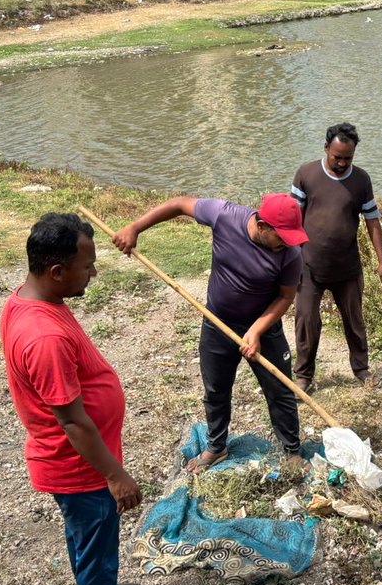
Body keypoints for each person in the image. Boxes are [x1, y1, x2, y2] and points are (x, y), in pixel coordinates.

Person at [0, 213, 164, 585]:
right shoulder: (43, 336)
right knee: (94, 536)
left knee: (88, 536)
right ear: (56, 272)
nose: (93, 273)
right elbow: (72, 420)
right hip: (77, 464)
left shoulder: (35, 300)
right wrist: (115, 474)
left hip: (80, 458)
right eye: (87, 266)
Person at [113, 194, 307, 473]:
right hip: (218, 323)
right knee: (216, 389)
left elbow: (286, 297)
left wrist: (255, 331)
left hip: (263, 329)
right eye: (282, 237)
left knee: (281, 391)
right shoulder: (225, 215)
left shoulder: (290, 254)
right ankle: (216, 447)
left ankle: (291, 452)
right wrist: (134, 228)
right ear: (262, 226)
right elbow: (178, 204)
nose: (287, 244)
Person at [290, 123, 382, 392]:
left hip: (347, 268)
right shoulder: (306, 174)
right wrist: (286, 260)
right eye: (337, 157)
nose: (342, 162)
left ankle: (361, 369)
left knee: (354, 320)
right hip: (309, 266)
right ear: (326, 148)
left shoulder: (361, 180)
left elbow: (372, 221)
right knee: (306, 321)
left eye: (348, 158)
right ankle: (304, 375)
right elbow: (292, 220)